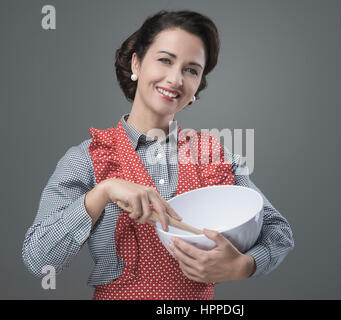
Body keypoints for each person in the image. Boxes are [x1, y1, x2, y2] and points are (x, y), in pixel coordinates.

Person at [22, 10, 294, 300]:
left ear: (195, 89)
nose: (176, 79)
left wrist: (243, 266)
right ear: (136, 63)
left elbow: (278, 231)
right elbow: (38, 259)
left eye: (191, 70)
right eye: (165, 60)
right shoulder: (87, 159)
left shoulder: (213, 156)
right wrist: (103, 192)